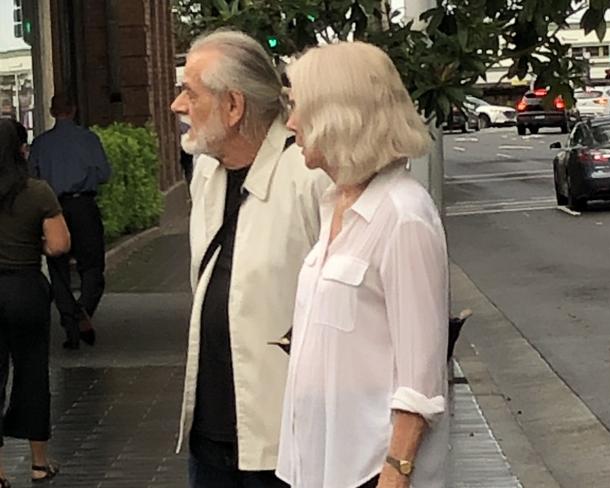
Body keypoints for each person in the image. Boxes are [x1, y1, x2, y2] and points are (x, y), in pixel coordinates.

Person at [276, 42, 450, 488]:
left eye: (297, 107)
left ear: (338, 114)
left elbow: (421, 376)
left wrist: (396, 472)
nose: (290, 123)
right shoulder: (335, 203)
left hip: (369, 472)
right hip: (320, 464)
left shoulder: (402, 214)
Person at [170, 30, 328, 488]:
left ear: (234, 107)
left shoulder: (308, 174)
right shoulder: (205, 172)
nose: (178, 105)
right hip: (210, 437)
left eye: (190, 92)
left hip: (286, 445)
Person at [0, 119, 71, 485]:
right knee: (32, 373)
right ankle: (39, 463)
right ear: (20, 150)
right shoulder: (38, 192)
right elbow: (59, 245)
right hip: (25, 288)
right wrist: (36, 246)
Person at [29, 94, 112, 350]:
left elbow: (32, 177)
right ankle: (83, 310)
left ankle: (69, 324)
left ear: (53, 111)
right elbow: (104, 174)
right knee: (92, 265)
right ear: (74, 110)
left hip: (52, 208)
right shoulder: (88, 139)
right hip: (83, 205)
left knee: (58, 268)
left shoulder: (41, 144)